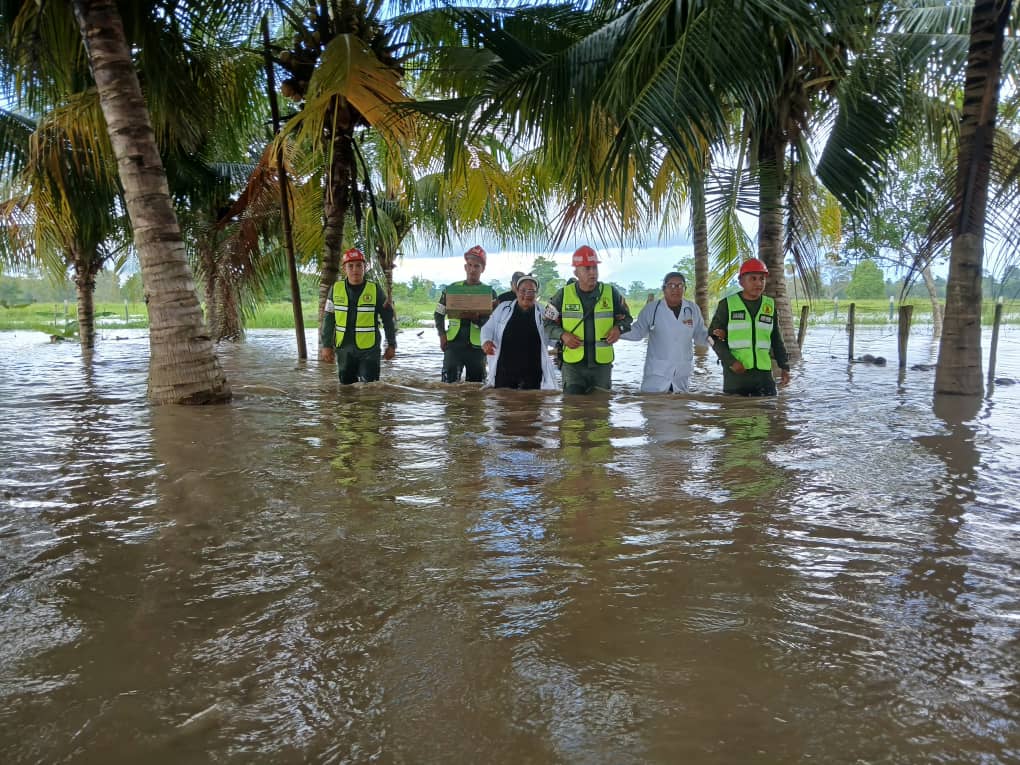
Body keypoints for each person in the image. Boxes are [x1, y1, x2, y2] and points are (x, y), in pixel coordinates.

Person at [543, 245, 633, 394]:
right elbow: (546, 322)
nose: (592, 273)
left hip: (601, 367)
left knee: (601, 411)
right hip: (573, 367)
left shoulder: (611, 293)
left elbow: (627, 319)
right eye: (587, 268)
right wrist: (563, 335)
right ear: (576, 272)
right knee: (572, 411)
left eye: (595, 268)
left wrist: (618, 329)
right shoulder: (562, 295)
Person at [708, 258, 791, 396]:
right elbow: (711, 338)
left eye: (762, 279)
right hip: (736, 377)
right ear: (741, 281)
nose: (758, 283)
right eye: (753, 279)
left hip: (764, 377)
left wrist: (784, 366)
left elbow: (776, 338)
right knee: (735, 414)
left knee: (768, 412)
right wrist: (731, 362)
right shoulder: (727, 304)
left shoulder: (769, 305)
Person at [620, 271, 709, 393]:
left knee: (682, 408)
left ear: (685, 289)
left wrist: (717, 339)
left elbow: (700, 335)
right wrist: (617, 331)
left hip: (681, 375)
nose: (675, 289)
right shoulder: (652, 309)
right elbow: (637, 332)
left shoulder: (692, 309)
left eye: (680, 286)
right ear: (664, 289)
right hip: (656, 375)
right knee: (654, 408)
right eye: (671, 285)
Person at [320, 247, 397, 384]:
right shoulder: (335, 289)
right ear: (344, 269)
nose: (355, 269)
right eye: (350, 266)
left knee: (370, 387)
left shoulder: (375, 290)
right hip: (344, 348)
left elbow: (387, 318)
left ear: (365, 267)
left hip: (369, 349)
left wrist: (391, 344)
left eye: (358, 265)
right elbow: (328, 318)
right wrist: (326, 345)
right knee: (346, 388)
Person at [480, 274, 558, 390]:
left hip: (533, 371)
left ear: (537, 294)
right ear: (516, 291)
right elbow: (487, 328)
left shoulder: (544, 313)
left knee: (532, 404)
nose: (527, 295)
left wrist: (561, 335)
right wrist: (486, 341)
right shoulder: (503, 308)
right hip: (505, 370)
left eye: (532, 291)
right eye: (523, 290)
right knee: (502, 404)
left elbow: (553, 339)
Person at [435, 245, 498, 382]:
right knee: (448, 386)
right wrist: (441, 335)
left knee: (476, 389)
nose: (472, 270)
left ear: (483, 269)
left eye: (476, 266)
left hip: (477, 347)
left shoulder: (489, 294)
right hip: (453, 345)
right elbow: (438, 313)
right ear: (465, 267)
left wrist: (476, 319)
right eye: (469, 265)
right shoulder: (451, 290)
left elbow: (493, 323)